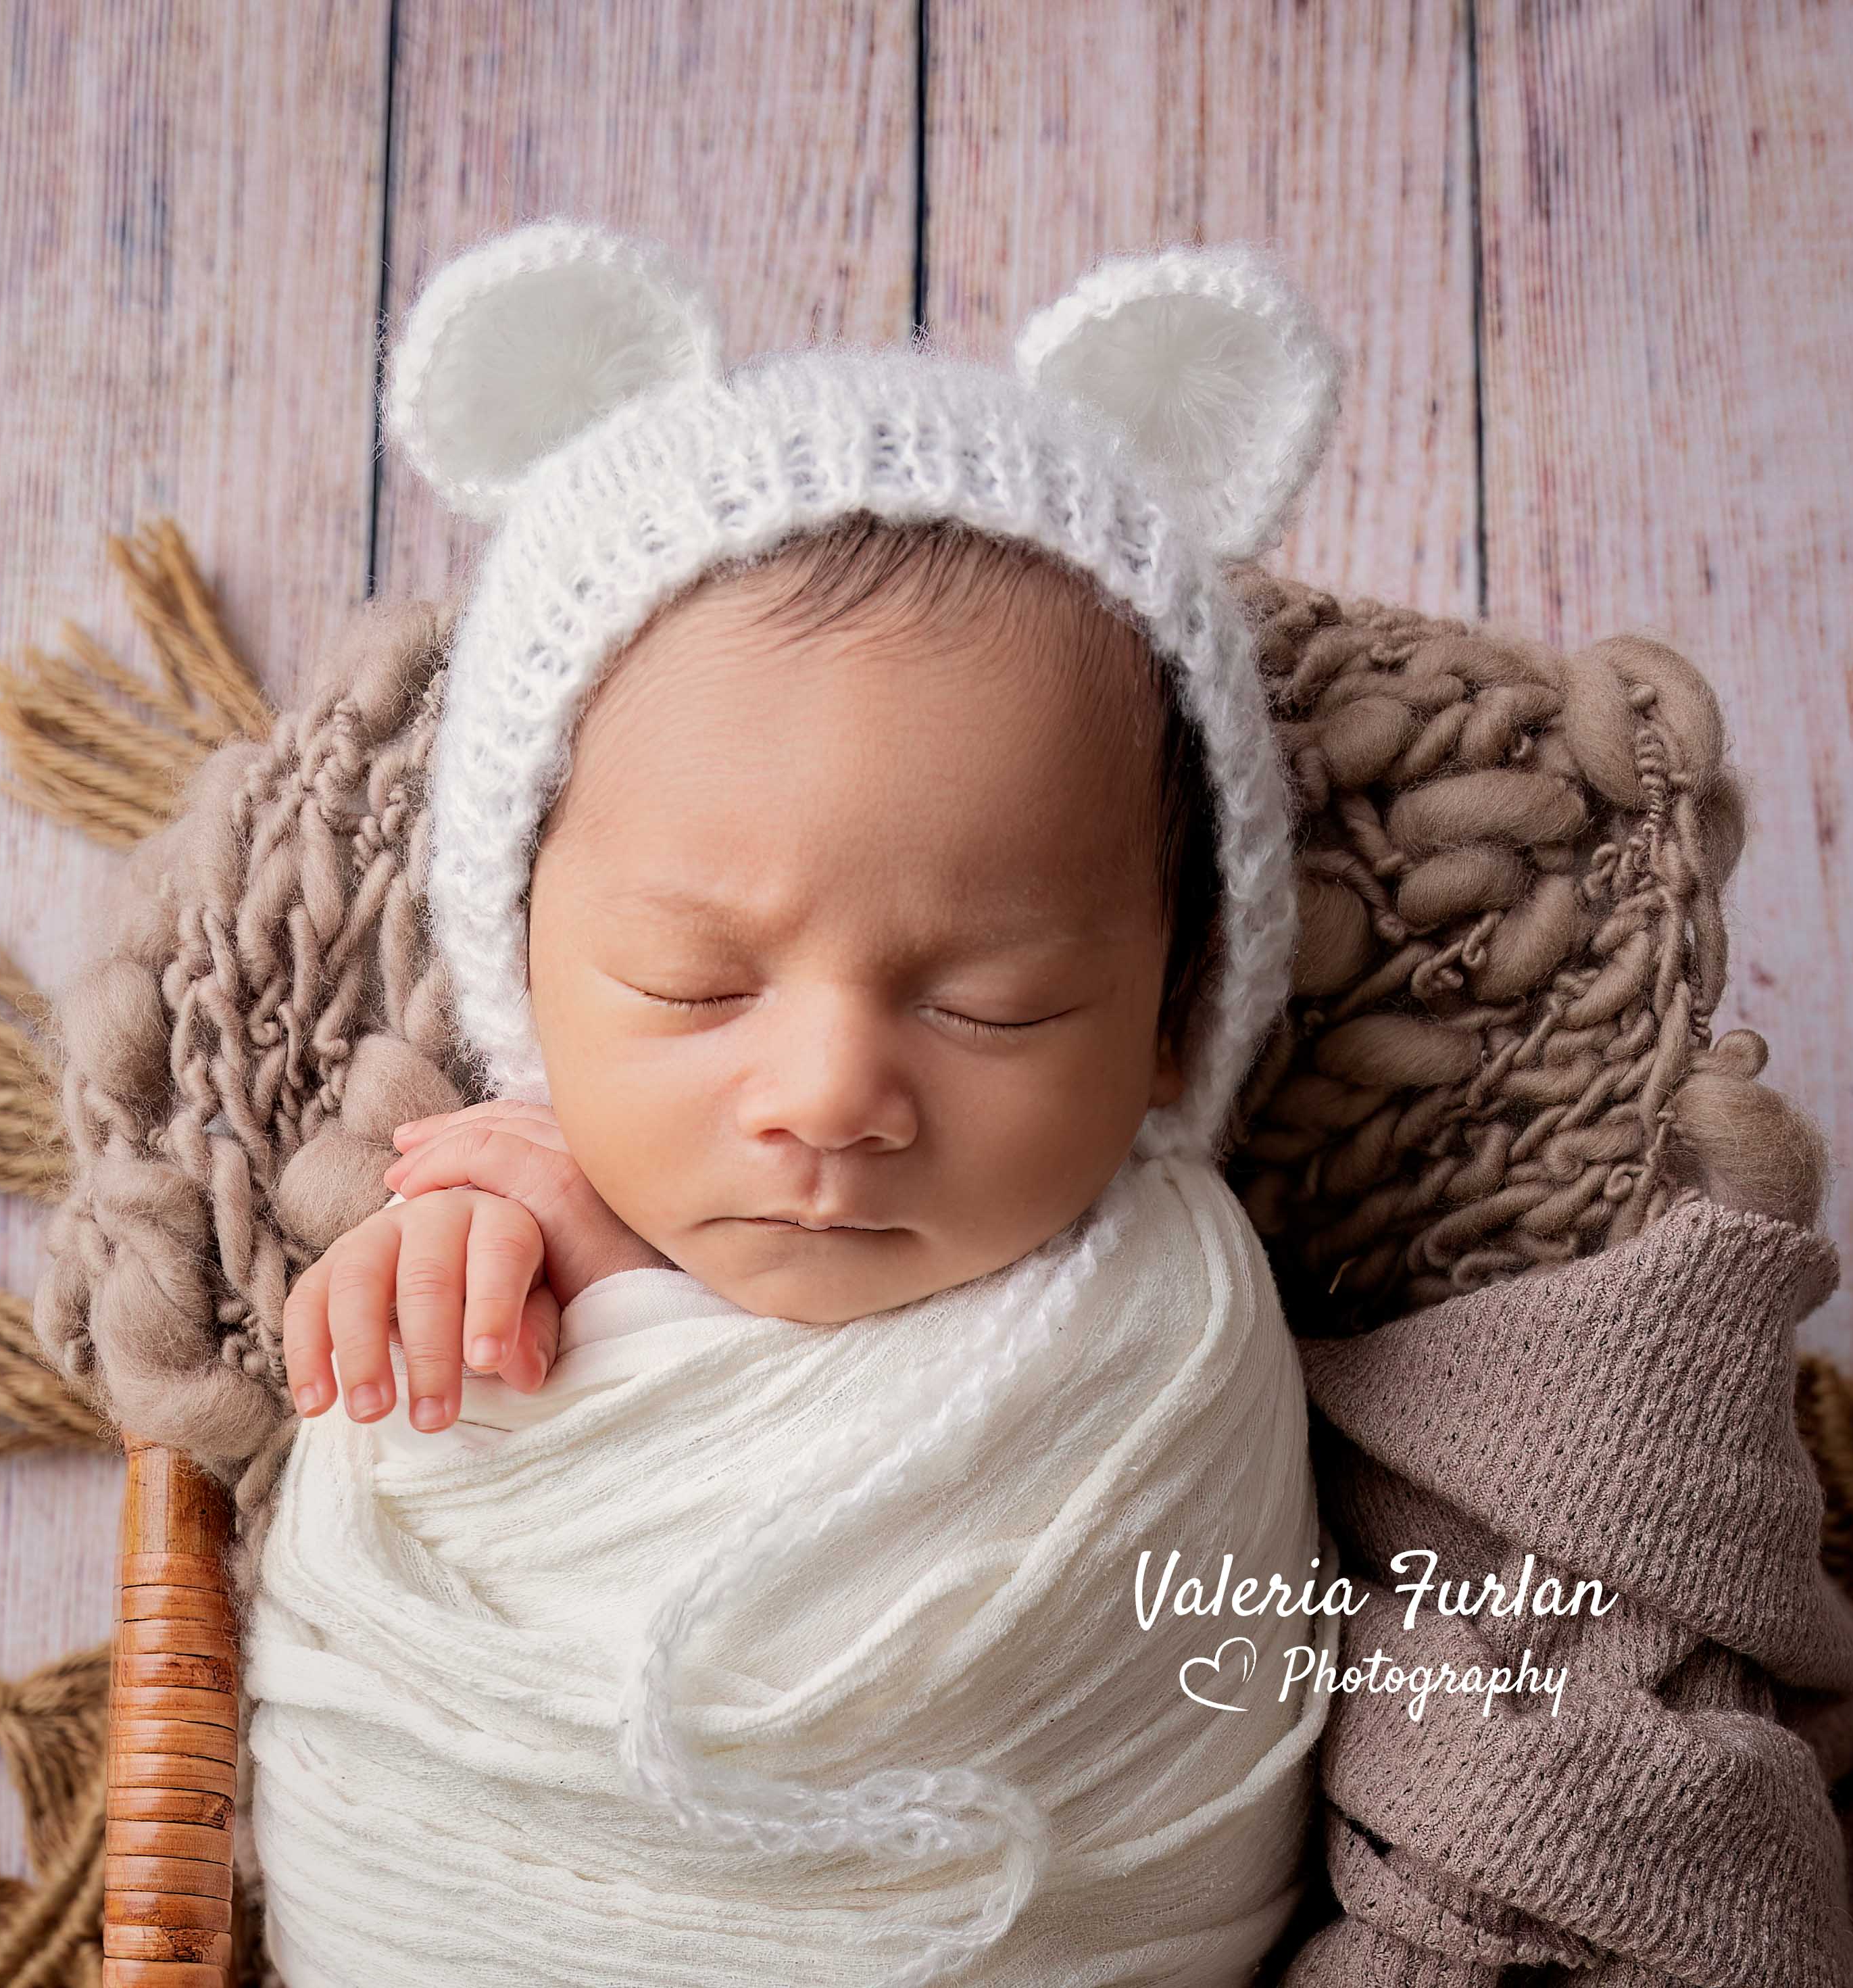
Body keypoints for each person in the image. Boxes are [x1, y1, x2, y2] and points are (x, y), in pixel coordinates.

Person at [241, 217, 1350, 1987]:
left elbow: (1202, 1671)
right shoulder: (485, 1230)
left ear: (1169, 1022)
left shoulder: (1177, 1332)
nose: (831, 1097)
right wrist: (457, 1301)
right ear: (524, 968)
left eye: (995, 1003)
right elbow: (382, 1575)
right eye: (695, 986)